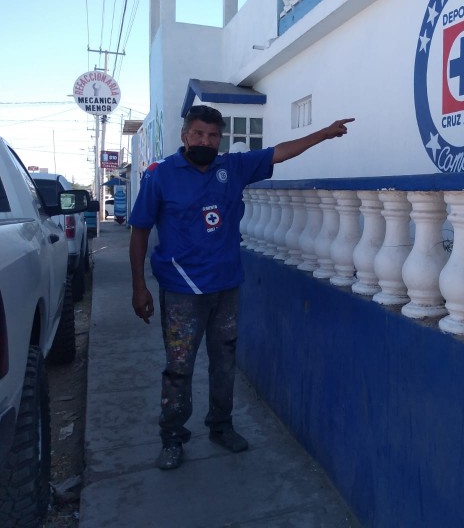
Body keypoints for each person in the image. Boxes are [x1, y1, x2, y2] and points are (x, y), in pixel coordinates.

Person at [129, 104, 353, 470]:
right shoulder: (161, 176)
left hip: (226, 287)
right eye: (199, 134)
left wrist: (324, 133)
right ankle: (172, 436)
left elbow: (279, 151)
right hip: (182, 290)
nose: (206, 140)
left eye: (213, 135)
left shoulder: (230, 168)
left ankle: (220, 425)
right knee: (179, 367)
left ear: (221, 139)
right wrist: (139, 287)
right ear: (185, 135)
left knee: (224, 363)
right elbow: (140, 231)